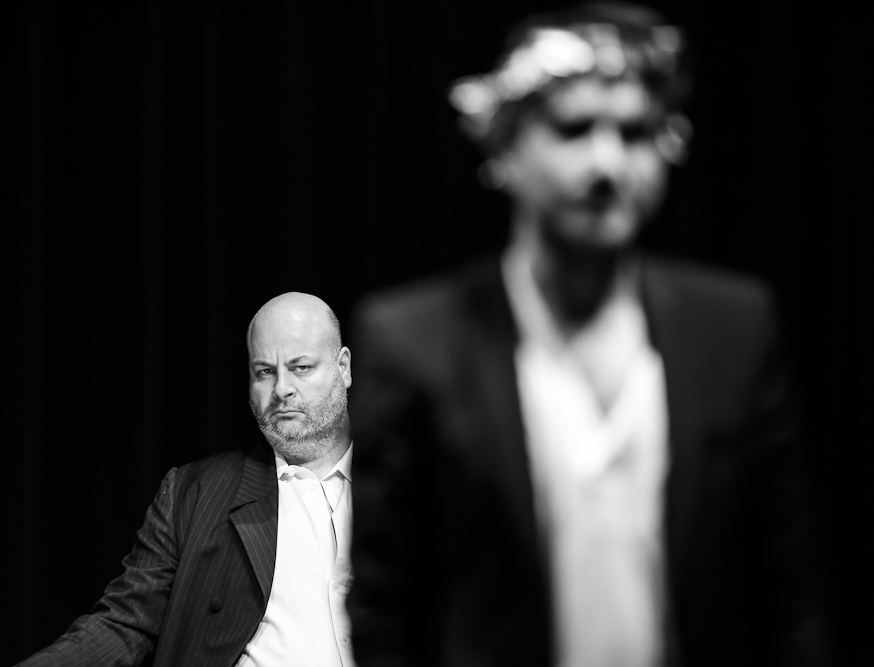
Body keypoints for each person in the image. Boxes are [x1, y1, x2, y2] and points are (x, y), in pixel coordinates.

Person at [346, 3, 827, 667]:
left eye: (635, 133)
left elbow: (789, 598)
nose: (608, 163)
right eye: (573, 129)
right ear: (506, 147)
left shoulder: (732, 329)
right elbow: (381, 612)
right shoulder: (413, 341)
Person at [17, 292, 356, 667]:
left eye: (301, 367)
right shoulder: (195, 492)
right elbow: (125, 624)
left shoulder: (400, 488)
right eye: (265, 372)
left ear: (343, 367)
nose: (280, 389)